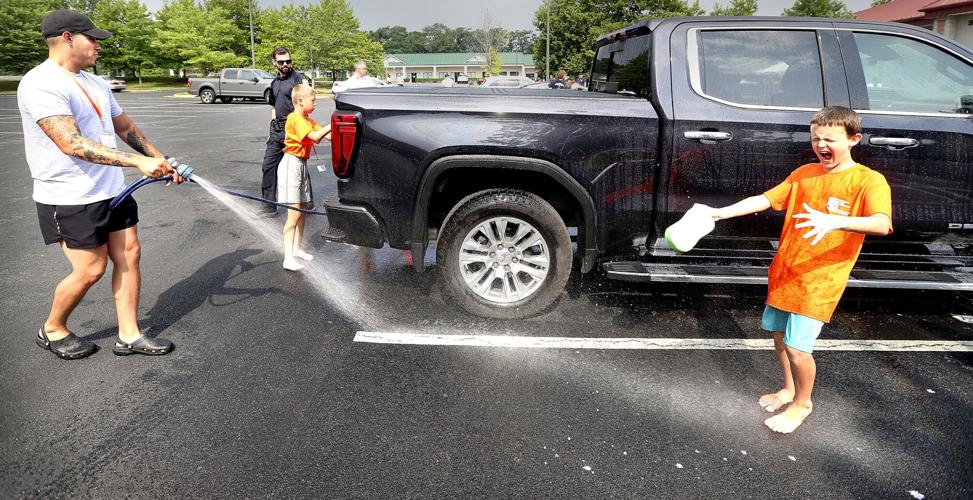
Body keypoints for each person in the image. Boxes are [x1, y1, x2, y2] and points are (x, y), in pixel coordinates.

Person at [706, 106, 892, 433]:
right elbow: (764, 199)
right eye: (816, 138)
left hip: (820, 281)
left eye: (830, 139)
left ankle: (802, 403)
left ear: (853, 140)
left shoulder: (868, 181)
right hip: (786, 274)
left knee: (797, 347)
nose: (821, 144)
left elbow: (881, 223)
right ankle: (789, 390)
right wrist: (719, 213)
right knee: (780, 338)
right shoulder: (804, 173)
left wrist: (835, 221)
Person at [18, 10, 185, 359]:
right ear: (67, 38)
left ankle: (130, 334)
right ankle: (52, 328)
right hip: (68, 194)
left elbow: (126, 129)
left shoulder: (95, 83)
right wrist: (139, 162)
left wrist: (161, 159)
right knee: (91, 269)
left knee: (130, 255)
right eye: (92, 38)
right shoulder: (41, 83)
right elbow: (71, 143)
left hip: (112, 189)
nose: (98, 46)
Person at [279, 84, 331, 271]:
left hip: (301, 164)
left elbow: (328, 136)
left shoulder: (307, 119)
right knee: (293, 214)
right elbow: (317, 137)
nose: (315, 103)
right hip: (291, 164)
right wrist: (333, 122)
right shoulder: (295, 119)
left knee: (302, 210)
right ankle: (288, 257)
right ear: (300, 101)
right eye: (313, 100)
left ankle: (297, 248)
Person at [258, 47, 306, 217]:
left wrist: (297, 127)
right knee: (268, 166)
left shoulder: (299, 79)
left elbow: (305, 105)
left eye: (288, 61)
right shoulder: (274, 83)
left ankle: (307, 204)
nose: (285, 64)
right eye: (281, 62)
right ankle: (269, 206)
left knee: (298, 170)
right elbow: (274, 106)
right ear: (274, 63)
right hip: (277, 131)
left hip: (294, 130)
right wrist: (272, 129)